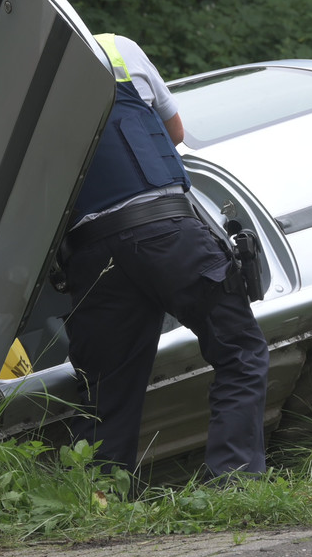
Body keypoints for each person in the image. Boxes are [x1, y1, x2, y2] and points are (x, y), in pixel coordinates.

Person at [60, 32, 270, 481]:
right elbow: (173, 133)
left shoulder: (14, 84)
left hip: (92, 251)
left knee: (106, 391)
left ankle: (97, 500)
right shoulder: (115, 47)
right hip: (165, 230)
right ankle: (234, 482)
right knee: (240, 351)